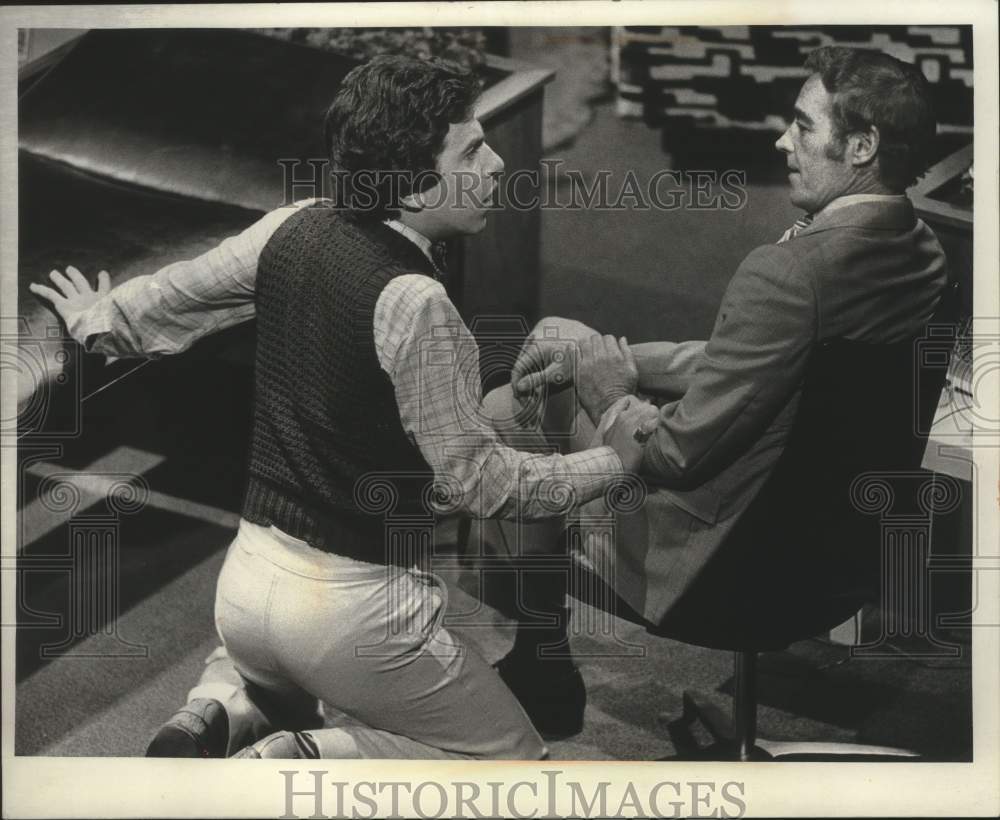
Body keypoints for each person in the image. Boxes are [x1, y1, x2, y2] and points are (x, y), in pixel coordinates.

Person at [31, 54, 657, 759]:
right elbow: (480, 483)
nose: (498, 163)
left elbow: (159, 307)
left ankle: (223, 706)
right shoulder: (419, 303)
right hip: (355, 616)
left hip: (244, 593)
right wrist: (614, 458)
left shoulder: (290, 226)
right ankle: (306, 755)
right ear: (416, 184)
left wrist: (92, 314)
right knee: (515, 761)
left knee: (286, 674)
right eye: (473, 150)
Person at [504, 45, 948, 630]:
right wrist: (613, 358)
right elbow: (751, 363)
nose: (782, 142)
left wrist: (610, 394)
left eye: (803, 126)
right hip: (836, 541)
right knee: (561, 338)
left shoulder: (789, 273)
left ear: (862, 147)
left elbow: (673, 456)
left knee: (512, 409)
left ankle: (536, 643)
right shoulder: (924, 251)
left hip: (726, 559)